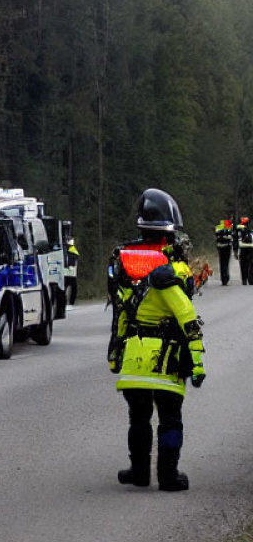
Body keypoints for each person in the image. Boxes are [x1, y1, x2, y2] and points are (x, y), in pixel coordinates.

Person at [107, 188, 206, 492]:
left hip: (135, 357)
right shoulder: (172, 273)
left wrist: (115, 356)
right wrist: (198, 364)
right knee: (170, 419)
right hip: (166, 360)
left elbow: (121, 318)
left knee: (138, 418)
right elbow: (188, 319)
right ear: (169, 236)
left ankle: (139, 473)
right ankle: (168, 476)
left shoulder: (127, 270)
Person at [214, 217, 234, 284]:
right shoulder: (229, 226)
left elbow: (216, 236)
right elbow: (231, 236)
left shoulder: (218, 227)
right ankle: (226, 277)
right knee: (226, 263)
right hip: (227, 247)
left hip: (220, 247)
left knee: (222, 263)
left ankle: (223, 279)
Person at [238, 217, 253, 285]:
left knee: (243, 265)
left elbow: (236, 239)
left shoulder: (239, 229)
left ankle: (244, 280)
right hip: (251, 249)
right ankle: (251, 280)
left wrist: (235, 250)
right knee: (251, 265)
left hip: (243, 249)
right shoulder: (250, 229)